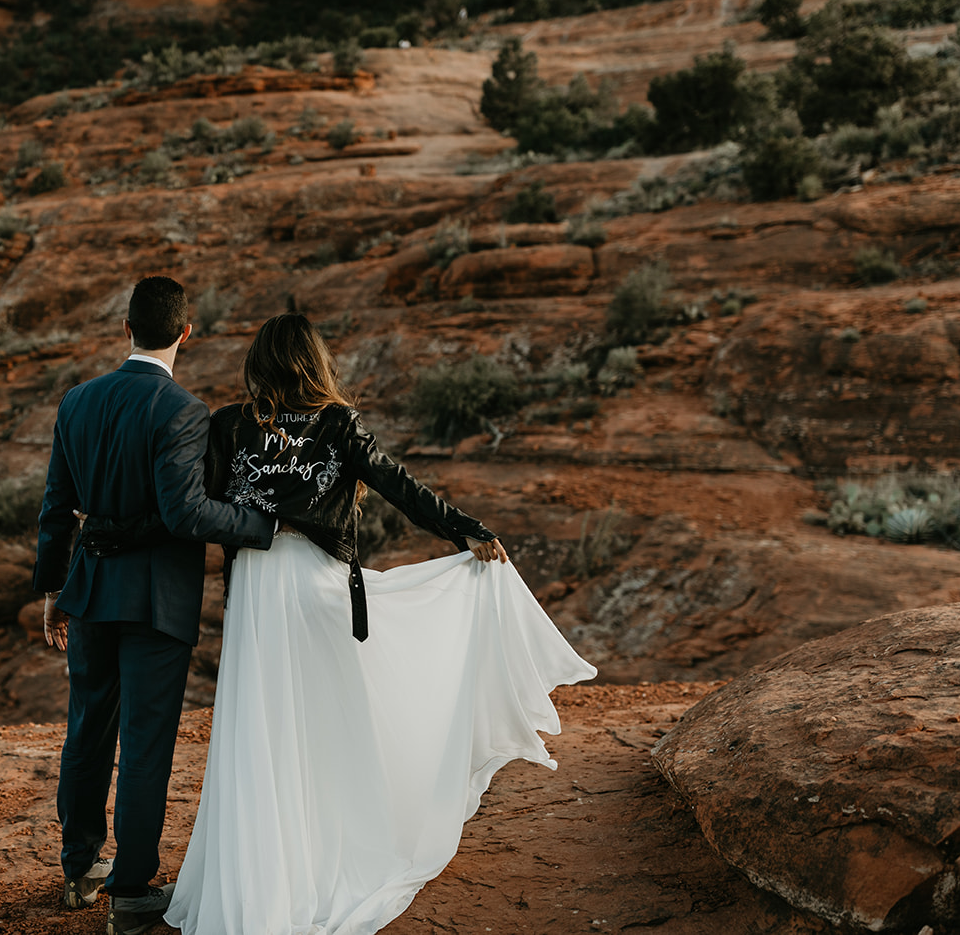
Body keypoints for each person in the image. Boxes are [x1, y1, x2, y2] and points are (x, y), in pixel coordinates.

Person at [86, 312, 597, 935]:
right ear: (315, 361)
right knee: (326, 723)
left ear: (260, 364)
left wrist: (106, 531)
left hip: (255, 591)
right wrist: (466, 529)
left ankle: (261, 878)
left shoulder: (229, 424)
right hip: (317, 587)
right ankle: (330, 855)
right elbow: (396, 484)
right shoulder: (336, 423)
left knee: (263, 726)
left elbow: (185, 510)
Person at [32, 276, 276, 935]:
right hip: (157, 603)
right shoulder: (182, 409)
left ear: (126, 328)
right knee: (144, 742)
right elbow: (185, 511)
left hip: (90, 588)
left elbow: (56, 507)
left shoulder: (77, 401)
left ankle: (78, 865)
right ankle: (132, 889)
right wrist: (262, 526)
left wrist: (53, 589)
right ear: (185, 333)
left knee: (87, 727)